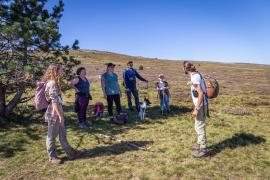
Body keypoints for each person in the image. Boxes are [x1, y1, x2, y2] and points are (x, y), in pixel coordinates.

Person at [42, 63, 81, 164]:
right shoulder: (52, 84)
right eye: (61, 70)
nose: (63, 72)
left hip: (58, 110)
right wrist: (59, 115)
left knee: (62, 133)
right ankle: (52, 157)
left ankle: (70, 152)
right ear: (56, 71)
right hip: (54, 112)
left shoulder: (55, 82)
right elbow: (54, 101)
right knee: (51, 135)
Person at [183, 61, 209, 158]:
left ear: (185, 69)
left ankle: (203, 149)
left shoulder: (195, 76)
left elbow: (201, 93)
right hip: (202, 104)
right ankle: (199, 145)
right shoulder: (196, 75)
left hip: (200, 105)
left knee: (200, 126)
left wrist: (196, 109)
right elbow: (198, 86)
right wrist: (191, 83)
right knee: (197, 126)